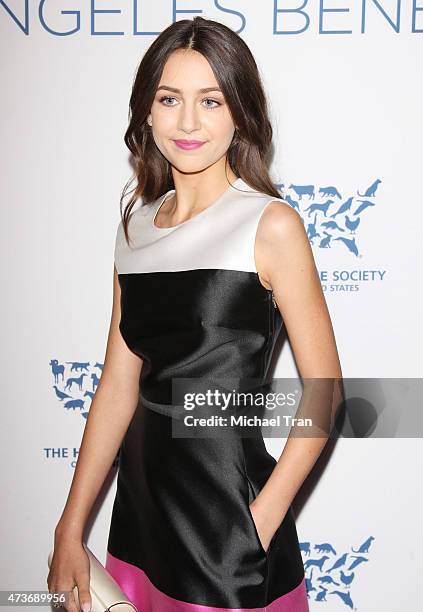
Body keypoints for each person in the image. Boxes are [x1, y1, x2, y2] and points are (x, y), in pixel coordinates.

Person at [47, 16, 343, 612]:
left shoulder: (270, 225)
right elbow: (116, 385)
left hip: (227, 522)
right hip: (142, 514)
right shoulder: (133, 229)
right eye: (169, 99)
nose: (187, 122)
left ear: (239, 113)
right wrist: (70, 528)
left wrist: (261, 518)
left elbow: (326, 392)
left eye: (210, 100)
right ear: (146, 112)